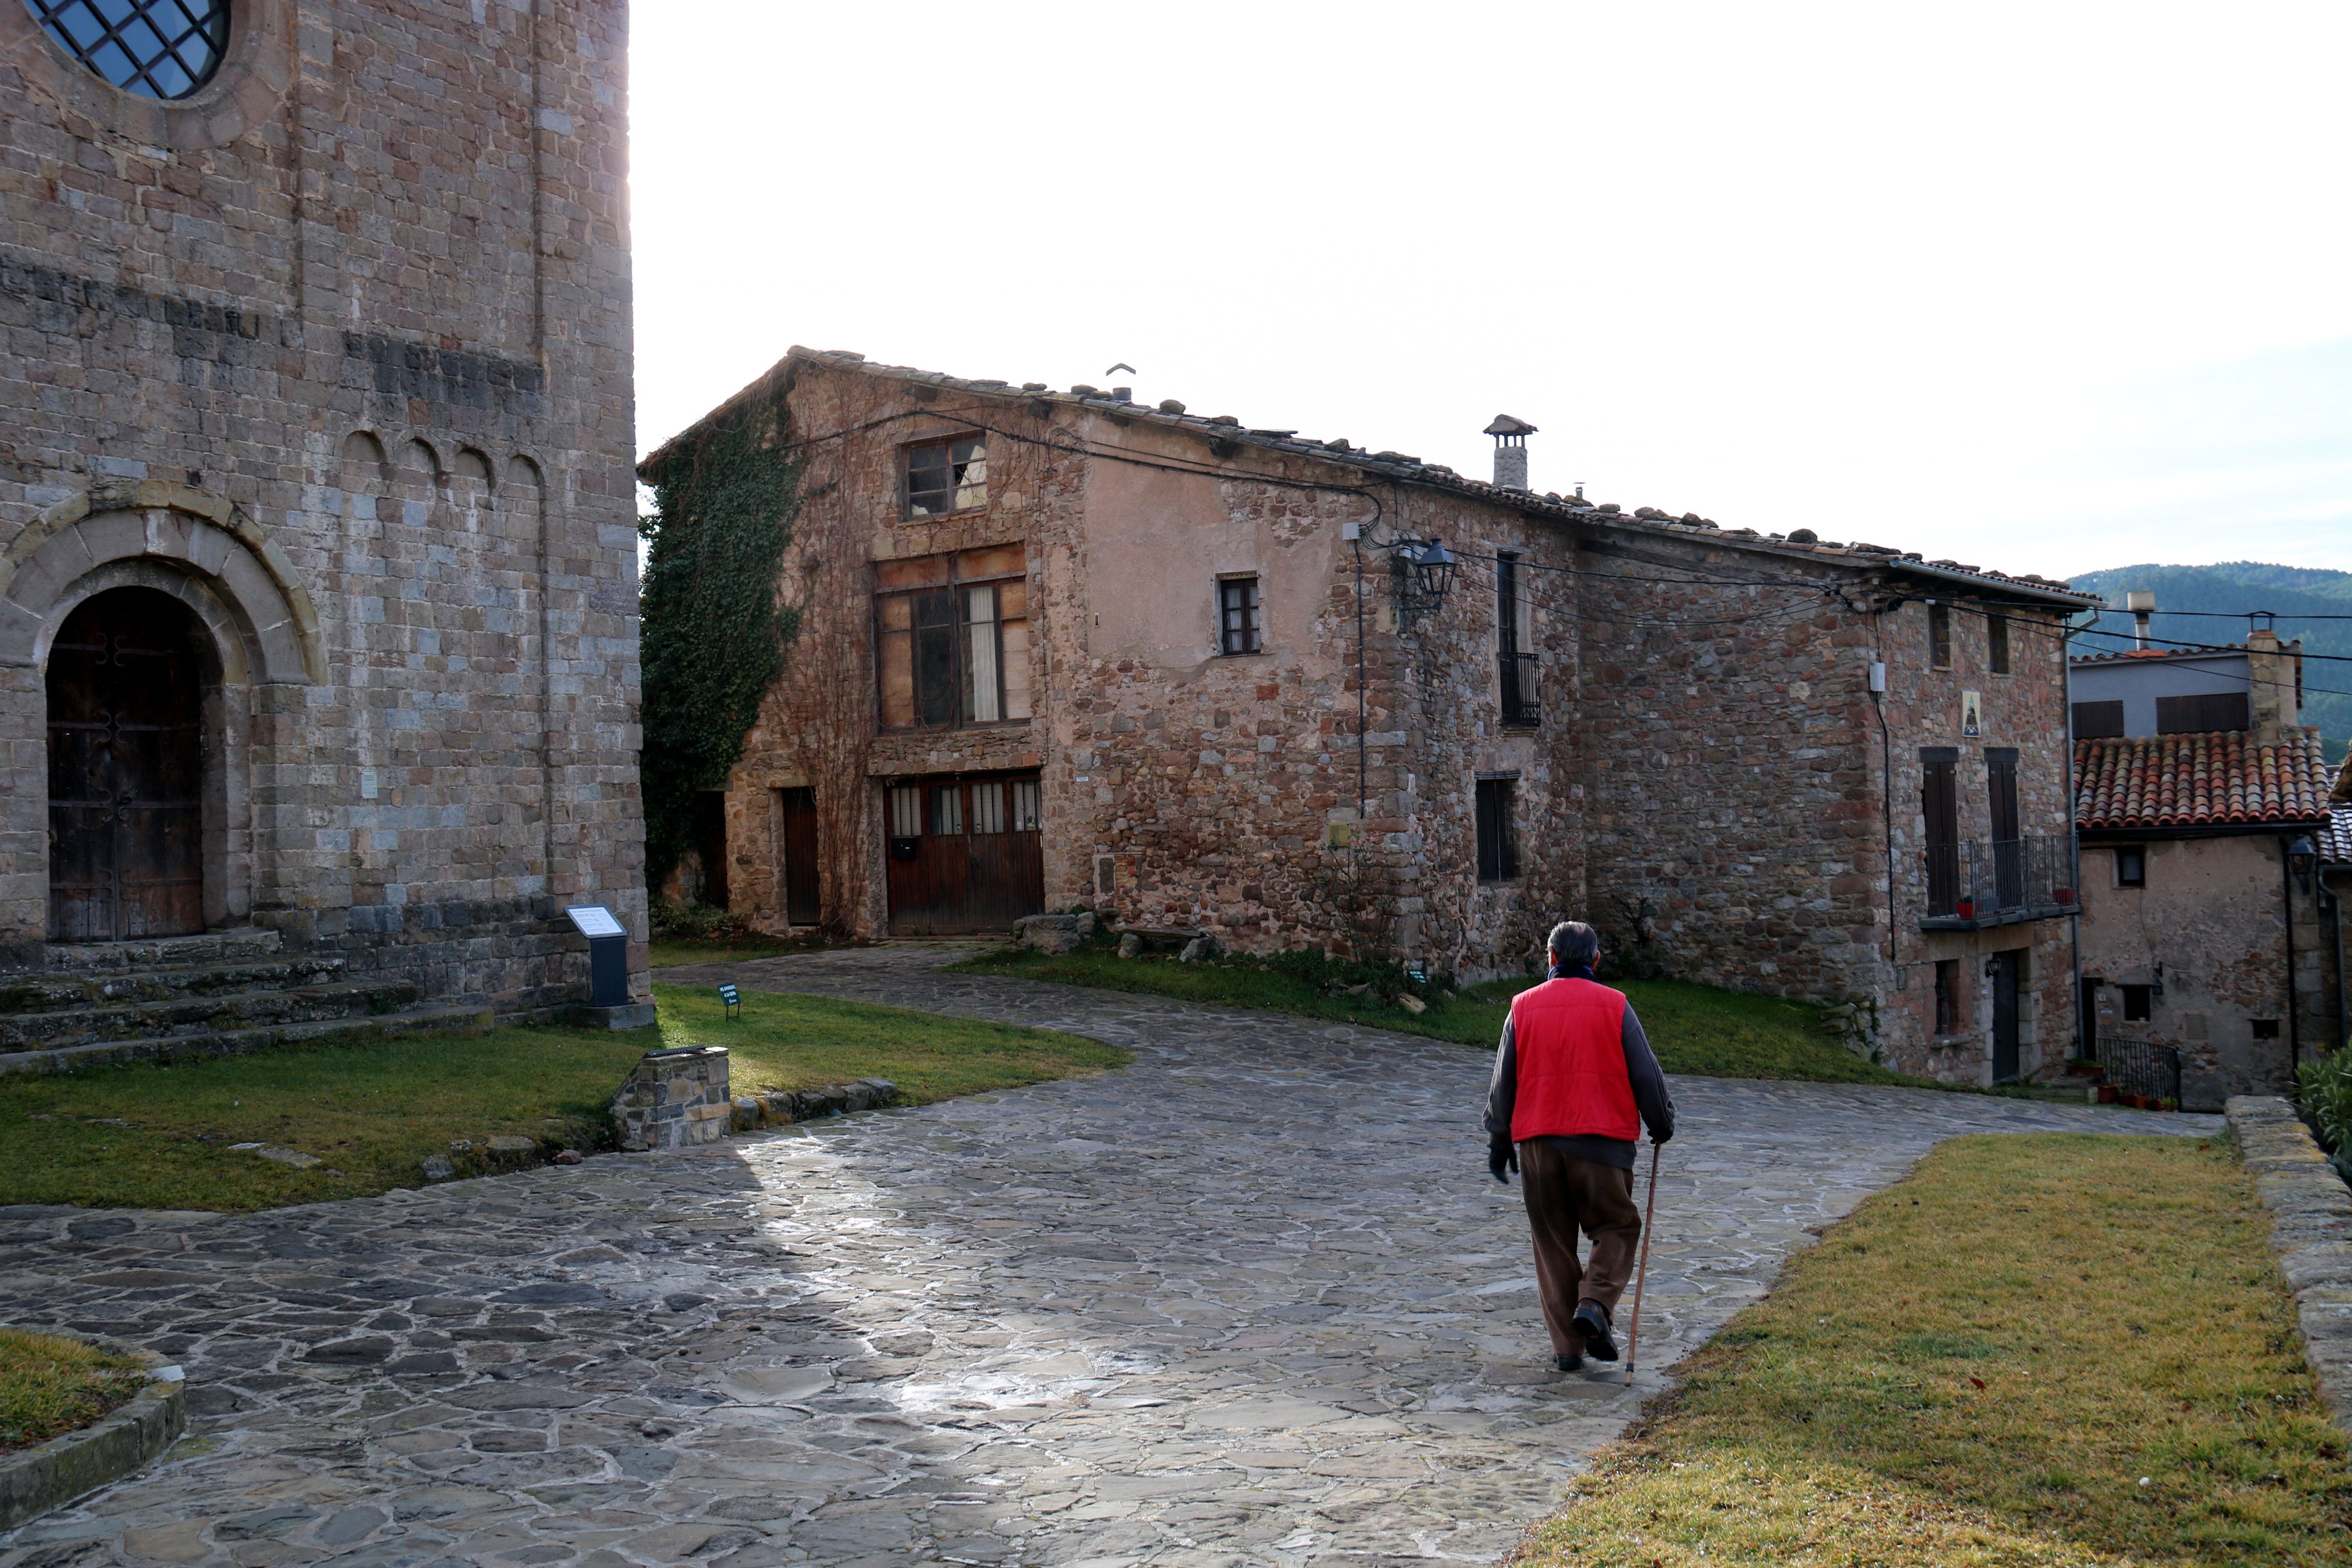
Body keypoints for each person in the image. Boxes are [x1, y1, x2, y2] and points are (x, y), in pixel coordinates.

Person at [1483, 920, 1674, 1371]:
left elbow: (1503, 1078)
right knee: (1616, 1227)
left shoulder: (1523, 1006)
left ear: (1550, 958)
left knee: (1552, 1243)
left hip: (1538, 1144)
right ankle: (1594, 1304)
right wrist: (1660, 1121)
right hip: (1602, 1141)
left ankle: (1568, 1349)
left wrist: (1499, 1137)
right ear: (1595, 961)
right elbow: (1645, 1072)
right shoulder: (1615, 1006)